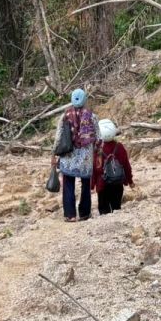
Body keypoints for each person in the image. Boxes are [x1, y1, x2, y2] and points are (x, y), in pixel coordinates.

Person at [52, 88, 97, 222]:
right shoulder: (91, 116)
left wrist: (53, 153)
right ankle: (84, 213)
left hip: (68, 155)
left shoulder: (65, 116)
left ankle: (70, 214)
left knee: (68, 183)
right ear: (85, 100)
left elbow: (58, 136)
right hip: (85, 157)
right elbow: (98, 136)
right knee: (85, 183)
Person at [92, 118, 132, 215]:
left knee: (104, 212)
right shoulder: (120, 147)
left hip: (102, 185)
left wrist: (92, 184)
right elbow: (126, 166)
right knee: (116, 209)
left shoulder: (97, 149)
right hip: (117, 184)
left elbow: (94, 169)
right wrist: (129, 181)